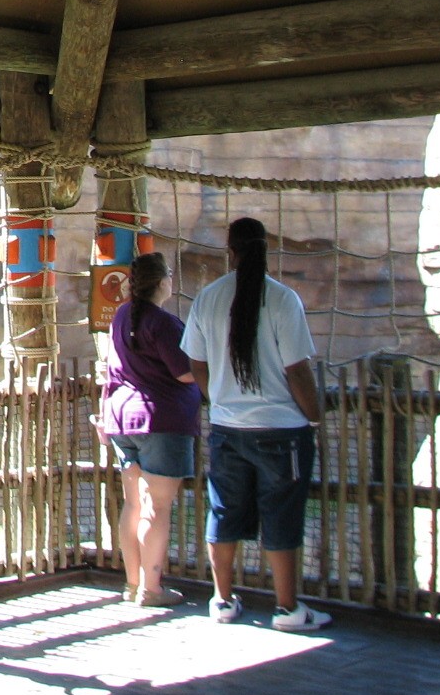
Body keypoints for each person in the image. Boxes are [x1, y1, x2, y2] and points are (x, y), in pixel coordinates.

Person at [181, 217, 330, 630]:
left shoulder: (208, 298)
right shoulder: (283, 299)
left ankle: (222, 601)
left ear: (230, 251)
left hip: (227, 428)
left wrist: (218, 399)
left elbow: (196, 363)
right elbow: (297, 370)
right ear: (266, 249)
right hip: (282, 430)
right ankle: (287, 609)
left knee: (224, 512)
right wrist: (314, 416)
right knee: (281, 514)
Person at [102, 251, 201, 607]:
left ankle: (132, 583)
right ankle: (152, 588)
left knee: (133, 504)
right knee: (156, 507)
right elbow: (184, 372)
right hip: (160, 420)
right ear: (162, 282)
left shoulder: (120, 316)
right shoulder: (164, 323)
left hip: (122, 420)